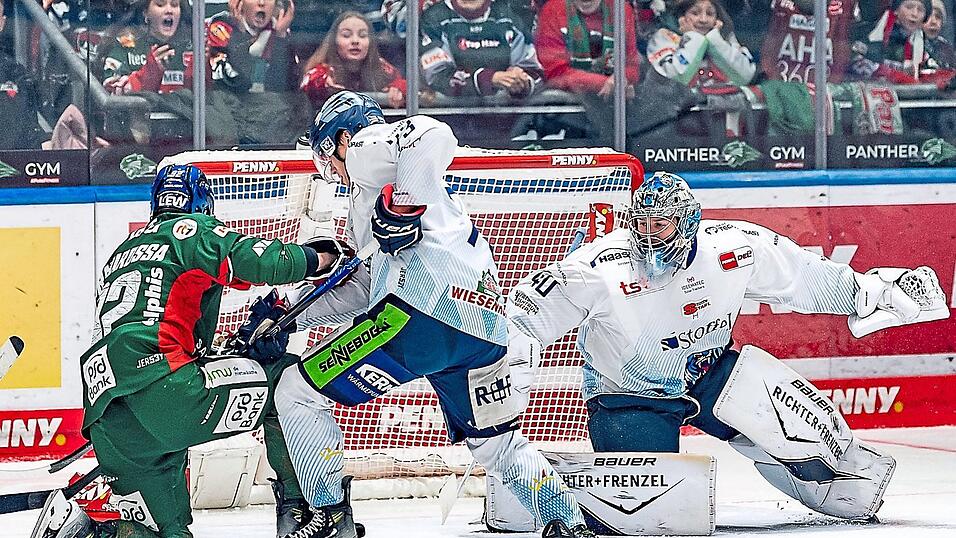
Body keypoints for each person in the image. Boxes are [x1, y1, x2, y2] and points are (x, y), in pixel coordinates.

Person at [504, 171, 949, 522]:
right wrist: (504, 377)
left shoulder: (735, 247)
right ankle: (530, 487)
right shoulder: (598, 267)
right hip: (629, 398)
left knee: (844, 477)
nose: (649, 235)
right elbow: (524, 318)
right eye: (640, 223)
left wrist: (879, 294)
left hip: (715, 376)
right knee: (645, 515)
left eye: (661, 224)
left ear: (688, 222)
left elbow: (805, 279)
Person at [247, 91, 592, 538]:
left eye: (327, 153)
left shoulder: (364, 154)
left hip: (420, 317)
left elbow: (434, 133)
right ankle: (568, 524)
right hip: (482, 329)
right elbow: (364, 289)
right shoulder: (386, 190)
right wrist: (292, 316)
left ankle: (331, 516)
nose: (329, 168)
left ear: (343, 138)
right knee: (498, 445)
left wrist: (401, 207)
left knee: (295, 390)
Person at [30, 164, 350, 538]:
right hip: (164, 390)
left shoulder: (122, 252)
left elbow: (155, 318)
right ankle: (306, 511)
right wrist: (319, 258)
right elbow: (259, 260)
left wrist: (228, 352)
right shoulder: (190, 229)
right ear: (202, 204)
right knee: (286, 381)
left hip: (108, 416)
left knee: (170, 532)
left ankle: (92, 534)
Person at [420, 0, 543, 99]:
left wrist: (520, 81)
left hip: (506, 119)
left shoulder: (508, 16)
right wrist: (490, 79)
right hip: (450, 117)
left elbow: (534, 73)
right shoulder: (434, 18)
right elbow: (437, 77)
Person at [300, 11, 407, 109]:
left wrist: (398, 89)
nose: (355, 41)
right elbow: (309, 81)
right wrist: (323, 84)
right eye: (346, 35)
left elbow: (405, 84)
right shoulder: (323, 70)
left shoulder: (381, 67)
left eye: (362, 35)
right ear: (334, 41)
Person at [535, 0, 640, 98]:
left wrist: (623, 79)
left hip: (614, 104)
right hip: (565, 104)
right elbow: (555, 73)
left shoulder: (621, 9)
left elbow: (632, 65)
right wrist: (604, 83)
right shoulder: (552, 10)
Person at [646, 0, 755, 90]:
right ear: (681, 16)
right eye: (695, 13)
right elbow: (676, 76)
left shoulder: (724, 37)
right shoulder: (664, 36)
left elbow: (745, 76)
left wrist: (715, 41)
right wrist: (695, 39)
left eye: (710, 13)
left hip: (724, 112)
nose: (703, 20)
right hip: (678, 113)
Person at [100, 0, 194, 95]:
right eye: (160, 5)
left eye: (174, 5)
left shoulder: (194, 48)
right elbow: (112, 94)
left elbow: (204, 96)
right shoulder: (125, 47)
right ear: (145, 12)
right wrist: (150, 71)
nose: (169, 10)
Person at [761, 0, 856, 83]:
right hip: (782, 87)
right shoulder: (780, 6)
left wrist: (831, 87)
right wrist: (775, 83)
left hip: (822, 94)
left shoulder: (844, 6)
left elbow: (841, 54)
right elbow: (769, 53)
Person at [923, 0, 956, 69]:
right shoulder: (911, 43)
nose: (933, 22)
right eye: (928, 17)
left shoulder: (946, 48)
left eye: (938, 17)